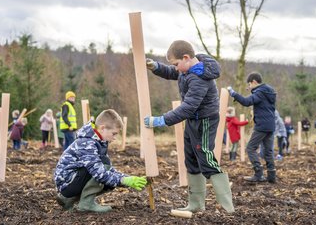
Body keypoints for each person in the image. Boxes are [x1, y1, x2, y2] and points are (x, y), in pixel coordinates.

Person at [144, 40, 234, 213]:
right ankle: (196, 203)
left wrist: (162, 120)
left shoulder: (200, 78)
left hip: (205, 121)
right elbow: (172, 72)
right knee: (191, 159)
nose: (176, 68)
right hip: (193, 120)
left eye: (177, 64)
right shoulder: (187, 70)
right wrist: (155, 67)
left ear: (186, 58)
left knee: (205, 158)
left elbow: (188, 107)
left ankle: (227, 207)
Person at [54, 109, 147, 212]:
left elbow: (109, 170)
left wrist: (129, 179)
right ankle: (85, 203)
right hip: (67, 184)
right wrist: (123, 180)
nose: (115, 138)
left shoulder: (98, 142)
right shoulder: (87, 143)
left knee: (108, 175)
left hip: (73, 182)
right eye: (114, 133)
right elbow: (100, 173)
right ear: (102, 128)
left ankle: (68, 200)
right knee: (104, 166)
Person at [227, 72, 277, 183]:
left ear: (254, 82)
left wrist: (233, 93)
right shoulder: (269, 91)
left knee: (250, 148)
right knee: (268, 151)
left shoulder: (260, 92)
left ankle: (258, 174)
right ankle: (271, 176)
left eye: (249, 85)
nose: (249, 87)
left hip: (262, 126)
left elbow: (246, 102)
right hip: (270, 125)